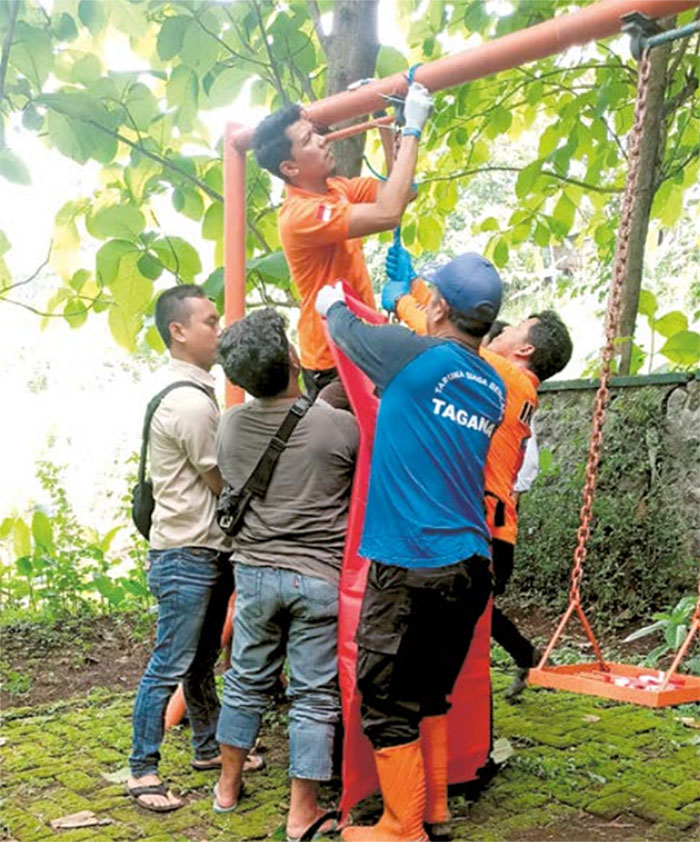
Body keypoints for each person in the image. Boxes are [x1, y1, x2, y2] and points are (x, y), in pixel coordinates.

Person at [315, 253, 505, 842]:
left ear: (440, 306)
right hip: (472, 564)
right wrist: (406, 300)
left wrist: (328, 303)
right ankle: (435, 810)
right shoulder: (493, 384)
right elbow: (431, 354)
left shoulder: (411, 357)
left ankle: (402, 827)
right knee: (430, 691)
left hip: (414, 563)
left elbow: (344, 330)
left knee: (385, 693)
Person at [385, 255, 573, 700]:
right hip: (491, 527)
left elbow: (443, 337)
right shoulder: (508, 382)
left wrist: (401, 302)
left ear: (523, 350)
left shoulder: (506, 376)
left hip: (483, 529)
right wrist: (416, 283)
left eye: (511, 330)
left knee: (446, 643)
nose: (499, 331)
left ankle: (452, 729)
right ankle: (508, 672)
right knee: (460, 635)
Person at [214, 309, 359, 841]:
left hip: (252, 576)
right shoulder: (337, 426)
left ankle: (227, 788)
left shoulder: (228, 425)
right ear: (294, 358)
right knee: (314, 696)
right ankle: (302, 813)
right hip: (318, 577)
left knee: (246, 682)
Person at [251, 81, 433, 398]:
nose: (322, 141)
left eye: (317, 132)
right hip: (331, 357)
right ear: (289, 167)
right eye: (310, 138)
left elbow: (404, 193)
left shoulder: (338, 188)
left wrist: (383, 118)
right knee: (353, 444)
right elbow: (389, 212)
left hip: (359, 338)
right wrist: (412, 131)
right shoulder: (299, 215)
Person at [128, 285, 233, 812]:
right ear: (179, 331)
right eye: (210, 322)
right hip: (186, 551)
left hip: (197, 547)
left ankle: (208, 747)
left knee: (199, 661)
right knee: (169, 662)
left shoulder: (188, 390)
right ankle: (142, 769)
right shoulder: (190, 402)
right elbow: (219, 480)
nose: (218, 330)